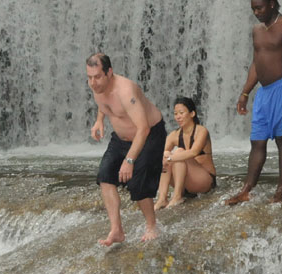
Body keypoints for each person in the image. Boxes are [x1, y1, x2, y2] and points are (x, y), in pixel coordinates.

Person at [227, 0, 282, 205]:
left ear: (272, 4)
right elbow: (256, 63)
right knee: (257, 141)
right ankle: (246, 189)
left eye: (259, 8)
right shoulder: (257, 30)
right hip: (264, 93)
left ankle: (281, 190)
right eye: (253, 9)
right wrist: (245, 92)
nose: (256, 12)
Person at [86, 52, 167, 246]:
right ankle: (117, 230)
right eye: (89, 77)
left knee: (138, 183)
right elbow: (103, 102)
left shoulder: (126, 91)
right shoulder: (97, 86)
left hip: (149, 135)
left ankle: (151, 225)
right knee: (105, 175)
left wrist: (129, 160)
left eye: (97, 77)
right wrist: (99, 121)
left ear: (109, 73)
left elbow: (143, 128)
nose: (93, 82)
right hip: (121, 138)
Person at [154, 97, 217, 210]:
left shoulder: (201, 131)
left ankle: (177, 196)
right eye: (175, 113)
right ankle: (162, 198)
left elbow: (193, 152)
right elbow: (159, 155)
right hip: (185, 184)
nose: (178, 117)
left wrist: (169, 159)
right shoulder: (174, 135)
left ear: (192, 113)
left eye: (181, 113)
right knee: (165, 153)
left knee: (178, 152)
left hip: (204, 181)